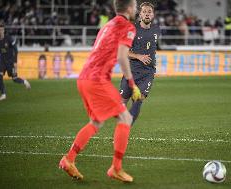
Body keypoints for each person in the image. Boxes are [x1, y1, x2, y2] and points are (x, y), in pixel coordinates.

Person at [59, 0, 141, 183]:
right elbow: (122, 56)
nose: (136, 8)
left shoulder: (107, 25)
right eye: (135, 5)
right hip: (97, 80)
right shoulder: (127, 26)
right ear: (129, 8)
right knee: (126, 118)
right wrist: (131, 83)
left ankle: (69, 159)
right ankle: (116, 168)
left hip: (84, 78)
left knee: (95, 122)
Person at [120, 2, 160, 125]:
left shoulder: (156, 29)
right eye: (144, 12)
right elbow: (123, 51)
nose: (147, 14)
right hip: (131, 71)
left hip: (147, 73)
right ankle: (120, 129)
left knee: (138, 100)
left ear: (153, 15)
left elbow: (152, 47)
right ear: (140, 14)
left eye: (149, 12)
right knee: (121, 103)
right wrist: (138, 56)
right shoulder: (132, 29)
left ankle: (125, 130)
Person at [0, 21, 31, 101]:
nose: (0, 32)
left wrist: (15, 62)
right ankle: (3, 94)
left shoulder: (9, 38)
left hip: (10, 62)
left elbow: (16, 50)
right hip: (2, 62)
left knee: (14, 79)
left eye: (1, 30)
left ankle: (25, 81)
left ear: (3, 30)